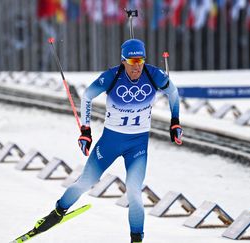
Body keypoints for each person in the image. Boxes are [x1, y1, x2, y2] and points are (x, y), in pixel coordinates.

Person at [35, 39, 183, 243]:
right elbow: (87, 96)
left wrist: (175, 122)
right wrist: (85, 130)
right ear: (123, 61)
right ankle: (58, 212)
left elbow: (173, 93)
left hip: (138, 146)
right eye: (131, 61)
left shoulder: (153, 74)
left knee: (134, 191)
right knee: (85, 182)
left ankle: (137, 239)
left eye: (140, 60)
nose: (137, 66)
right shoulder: (111, 76)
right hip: (110, 142)